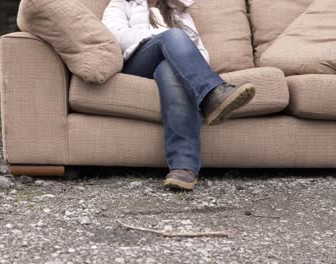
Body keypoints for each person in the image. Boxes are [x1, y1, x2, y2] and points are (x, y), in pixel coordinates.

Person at [102, 0, 256, 190]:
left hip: (170, 68)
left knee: (169, 69)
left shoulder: (177, 11)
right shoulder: (122, 4)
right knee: (174, 36)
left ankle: (183, 168)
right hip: (138, 63)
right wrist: (165, 37)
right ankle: (211, 94)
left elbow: (198, 52)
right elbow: (116, 35)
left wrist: (181, 56)